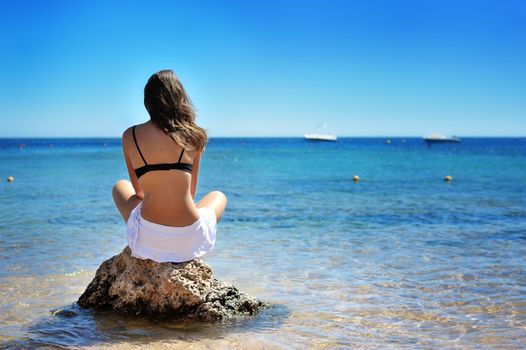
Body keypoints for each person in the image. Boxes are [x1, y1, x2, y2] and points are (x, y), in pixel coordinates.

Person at [112, 70, 227, 263]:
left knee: (120, 186)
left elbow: (139, 192)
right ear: (179, 97)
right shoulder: (194, 135)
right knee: (218, 196)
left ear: (148, 101)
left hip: (148, 239)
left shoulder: (129, 135)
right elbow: (190, 193)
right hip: (189, 239)